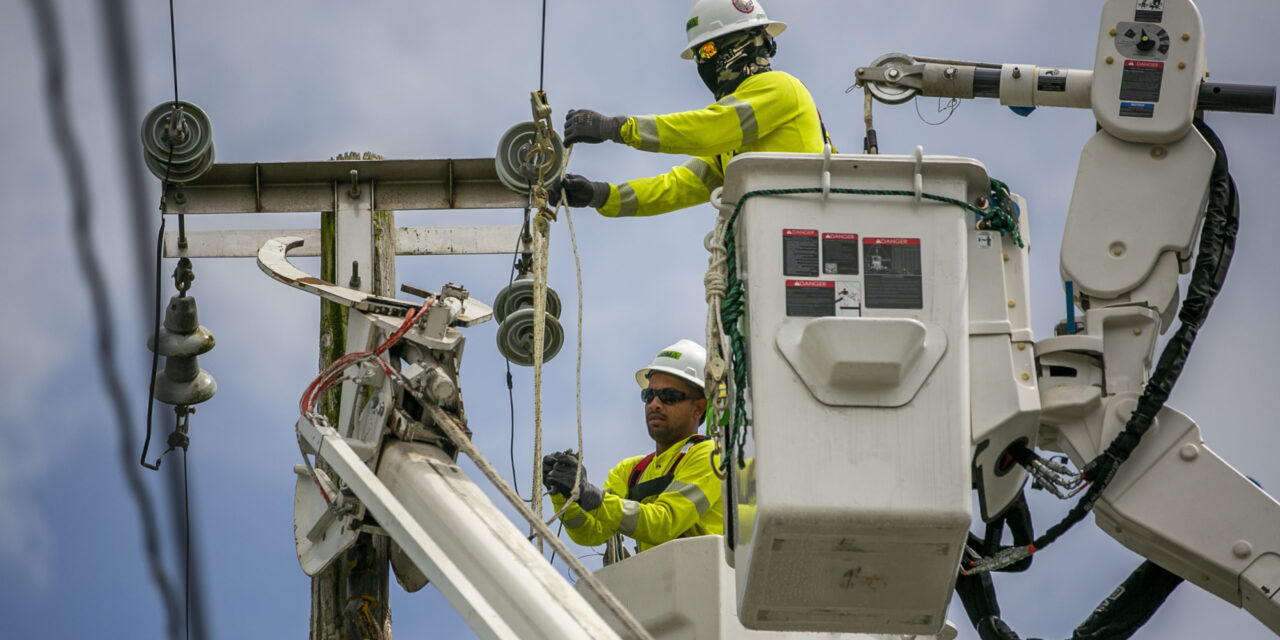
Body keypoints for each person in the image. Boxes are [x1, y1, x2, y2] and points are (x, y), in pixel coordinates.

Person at [550, 0, 827, 217]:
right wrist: (601, 195)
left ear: (738, 43)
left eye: (706, 51)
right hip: (768, 245)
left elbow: (709, 128)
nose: (702, 63)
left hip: (802, 229)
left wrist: (618, 128)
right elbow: (675, 187)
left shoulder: (780, 88)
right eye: (698, 55)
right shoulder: (731, 151)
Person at [542, 340, 721, 553]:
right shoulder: (631, 471)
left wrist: (595, 498)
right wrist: (565, 494)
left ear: (699, 408)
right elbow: (592, 531)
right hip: (661, 582)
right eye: (648, 395)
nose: (654, 403)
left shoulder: (710, 456)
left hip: (706, 580)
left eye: (668, 396)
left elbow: (665, 522)